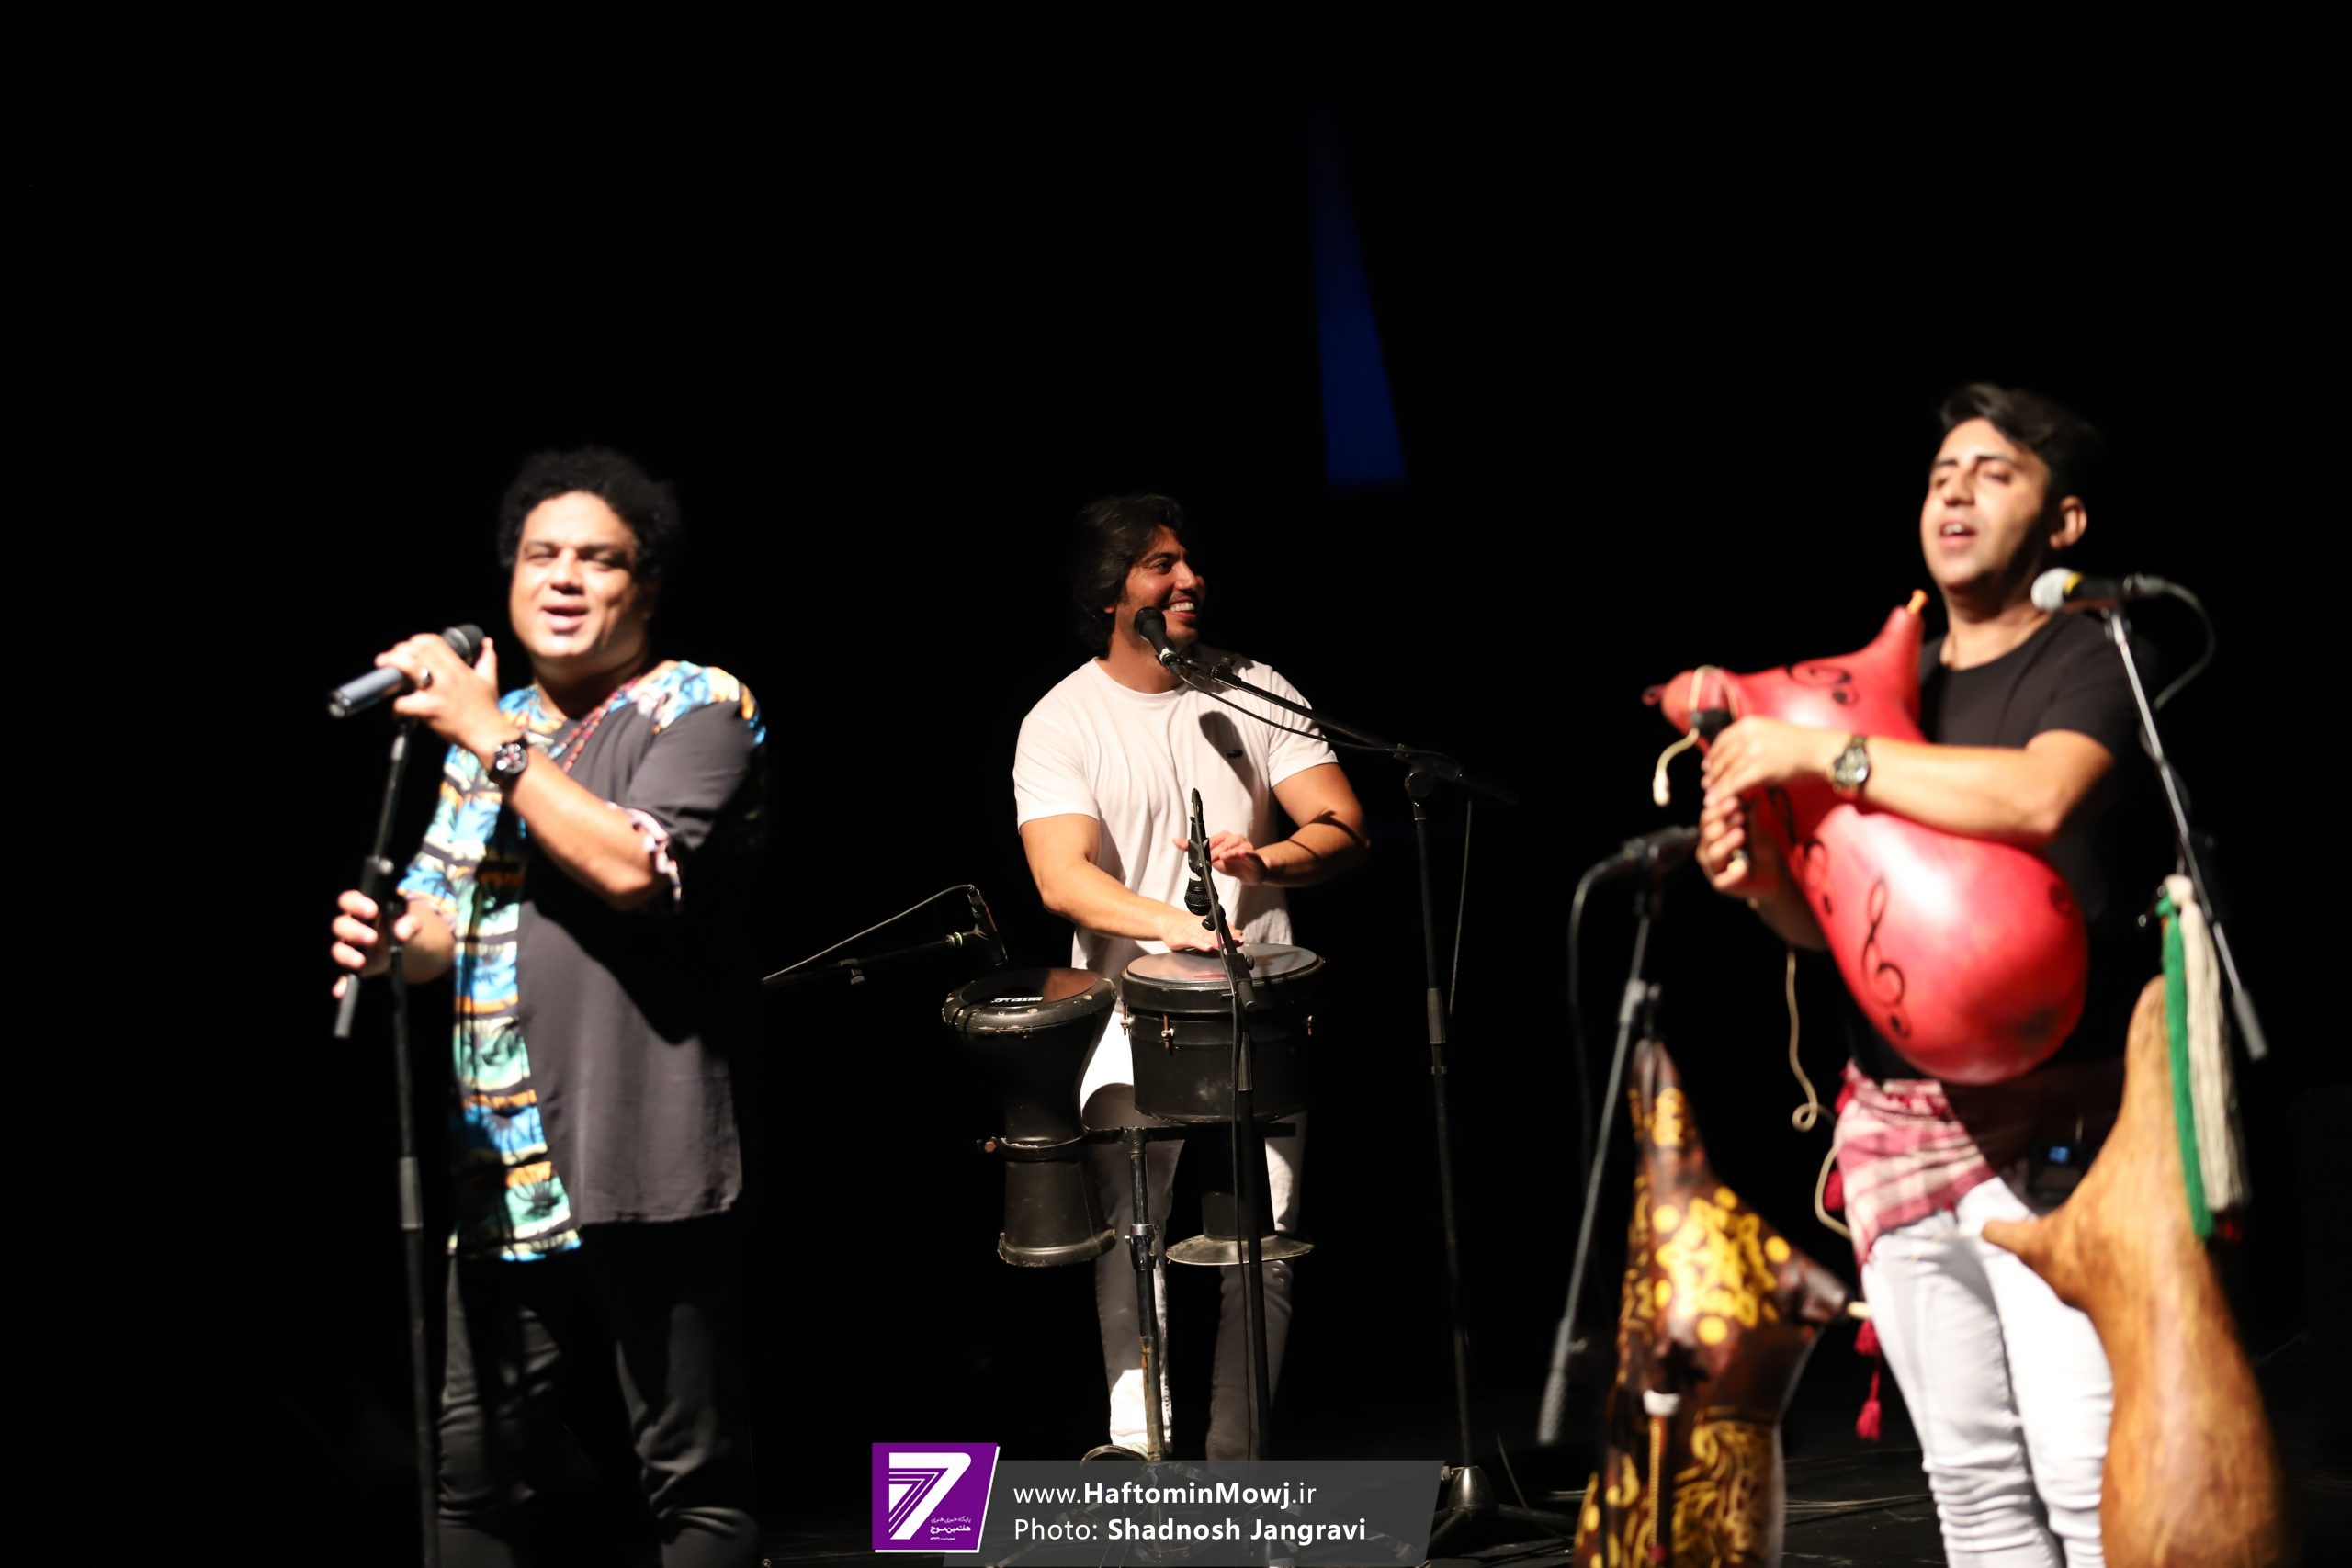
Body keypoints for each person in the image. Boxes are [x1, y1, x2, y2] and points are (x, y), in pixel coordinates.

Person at [1695, 385, 2155, 1567]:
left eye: (1994, 473)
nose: (1955, 492)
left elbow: (2041, 795)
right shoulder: (1886, 684)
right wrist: (1759, 884)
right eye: (1942, 473)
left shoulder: (2091, 652)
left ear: (2063, 522)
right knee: (1971, 1488)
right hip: (1895, 1130)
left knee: (2083, 1473)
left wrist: (1820, 753)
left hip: (2056, 1126)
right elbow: (1831, 929)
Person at [328, 447, 765, 1567]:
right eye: (540, 555)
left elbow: (630, 868)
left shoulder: (695, 704)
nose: (563, 577)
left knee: (692, 1489)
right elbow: (437, 923)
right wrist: (390, 943)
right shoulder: (497, 725)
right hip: (502, 1176)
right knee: (468, 1483)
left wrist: (485, 730)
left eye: (597, 559)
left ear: (645, 586)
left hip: (641, 1155)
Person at [1012, 493, 1369, 1459]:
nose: (1189, 580)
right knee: (1134, 1232)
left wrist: (1266, 860)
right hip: (1132, 1017)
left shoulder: (1253, 688)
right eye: (1160, 565)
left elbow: (1341, 823)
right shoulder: (1061, 721)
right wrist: (1178, 925)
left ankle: (1234, 1463)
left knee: (1267, 1241)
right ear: (1107, 593)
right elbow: (1061, 878)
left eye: (1189, 562)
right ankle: (1141, 1452)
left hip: (1262, 1012)